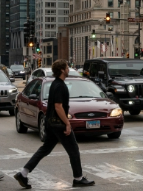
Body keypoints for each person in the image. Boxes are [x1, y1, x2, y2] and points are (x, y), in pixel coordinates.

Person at [14, 60, 94, 188]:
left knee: (45, 149)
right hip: (58, 124)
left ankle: (23, 173)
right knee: (73, 150)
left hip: (50, 122)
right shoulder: (60, 85)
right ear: (62, 70)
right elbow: (58, 106)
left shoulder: (55, 84)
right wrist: (67, 124)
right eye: (67, 67)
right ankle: (78, 178)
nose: (68, 69)